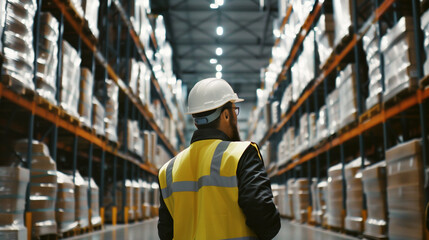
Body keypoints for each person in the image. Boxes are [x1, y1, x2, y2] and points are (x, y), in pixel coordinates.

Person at [158, 78, 281, 240]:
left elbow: (166, 233)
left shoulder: (168, 170)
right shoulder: (242, 154)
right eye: (234, 110)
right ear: (226, 115)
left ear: (196, 122)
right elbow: (266, 224)